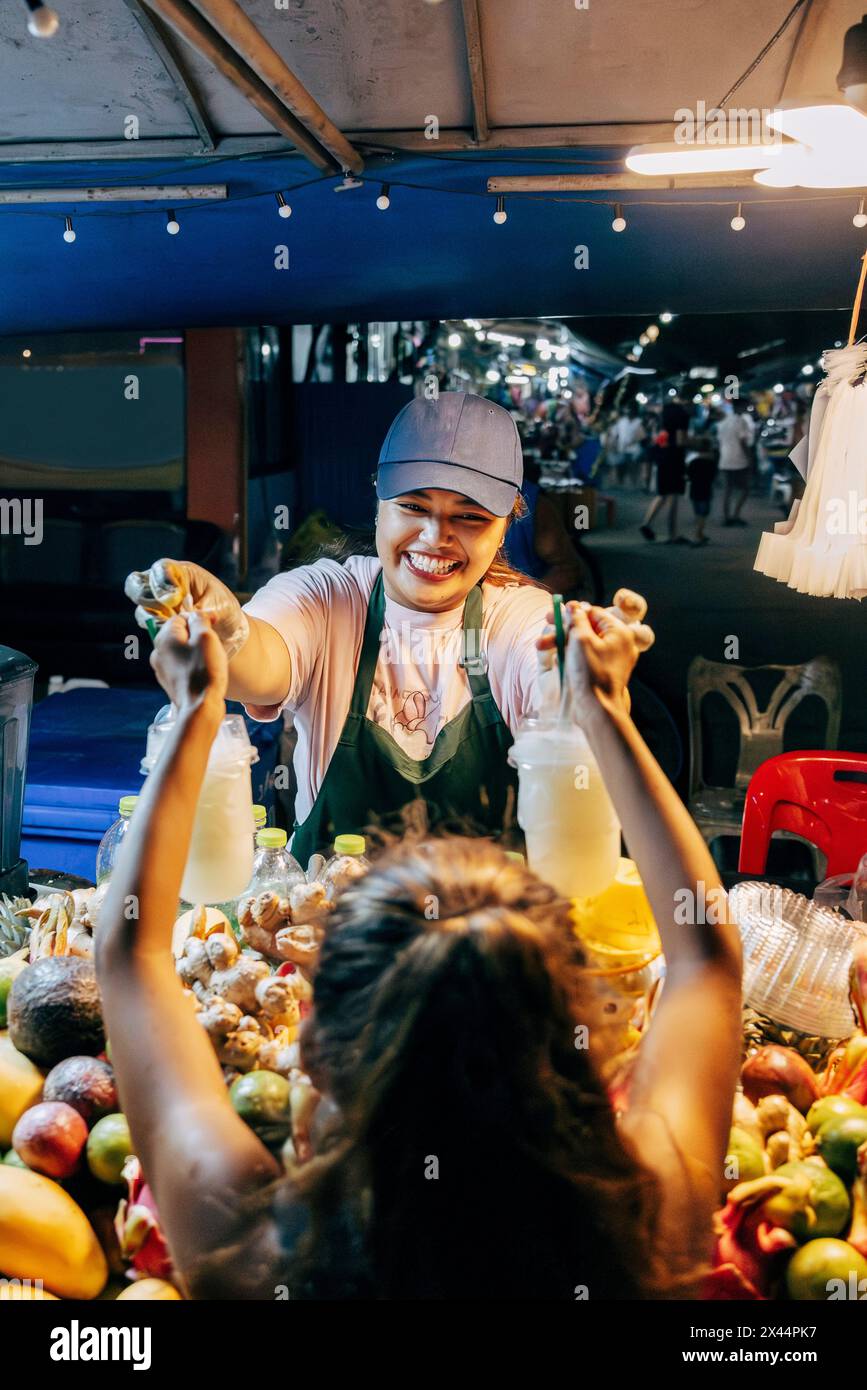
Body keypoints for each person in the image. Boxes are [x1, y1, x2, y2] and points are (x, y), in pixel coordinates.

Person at [94, 601, 743, 1300]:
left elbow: (132, 956)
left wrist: (195, 711)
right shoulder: (650, 1222)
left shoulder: (252, 1249)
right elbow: (705, 959)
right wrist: (603, 709)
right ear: (584, 1041)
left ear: (310, 1048)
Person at [130, 394, 650, 862]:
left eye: (469, 518)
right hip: (327, 944)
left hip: (491, 943)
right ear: (378, 500)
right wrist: (226, 634)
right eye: (413, 506)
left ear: (507, 524)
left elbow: (557, 695)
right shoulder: (328, 598)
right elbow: (259, 663)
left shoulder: (518, 618)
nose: (435, 537)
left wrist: (587, 685)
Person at [639, 396, 690, 543]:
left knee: (662, 494)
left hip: (661, 457)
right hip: (674, 458)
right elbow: (681, 440)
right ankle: (672, 534)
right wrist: (698, 443)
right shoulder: (682, 414)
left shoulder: (663, 413)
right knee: (673, 496)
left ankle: (646, 523)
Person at [717, 399, 755, 526]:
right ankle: (736, 515)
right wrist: (749, 458)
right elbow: (743, 442)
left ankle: (726, 518)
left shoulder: (723, 422)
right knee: (744, 489)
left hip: (725, 460)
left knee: (727, 490)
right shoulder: (741, 421)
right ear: (740, 407)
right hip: (739, 460)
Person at [685, 414, 720, 547]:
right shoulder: (710, 463)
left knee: (697, 513)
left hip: (694, 491)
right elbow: (713, 477)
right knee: (703, 513)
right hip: (705, 491)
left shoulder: (693, 462)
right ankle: (698, 534)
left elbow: (688, 475)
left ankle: (699, 533)